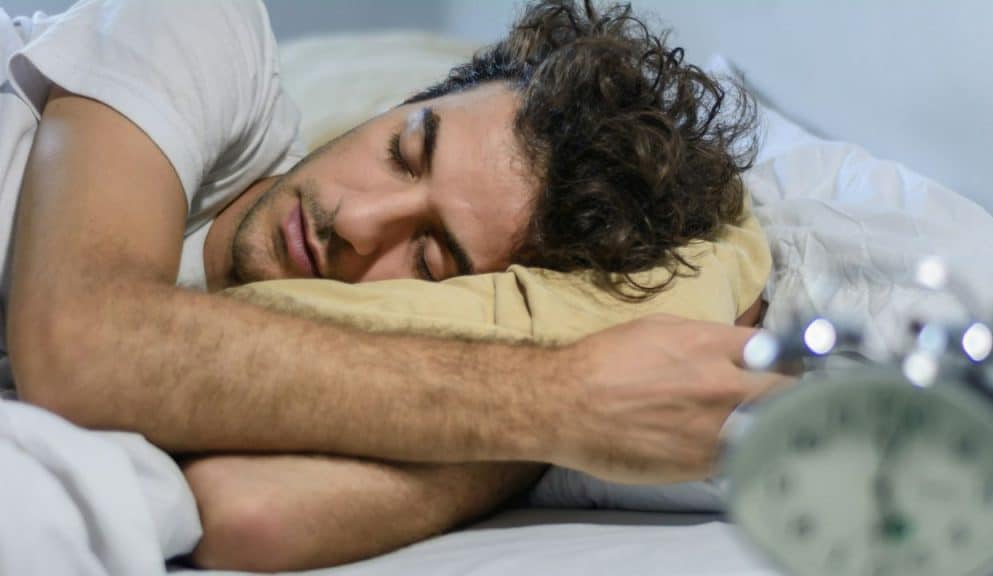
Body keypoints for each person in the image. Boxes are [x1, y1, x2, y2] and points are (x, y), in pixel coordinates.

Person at [0, 0, 785, 571]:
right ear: (397, 105)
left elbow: (250, 516)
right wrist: (562, 402)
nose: (360, 220)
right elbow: (80, 338)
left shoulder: (330, 371)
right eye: (404, 152)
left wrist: (540, 435)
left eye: (431, 258)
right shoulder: (205, 30)